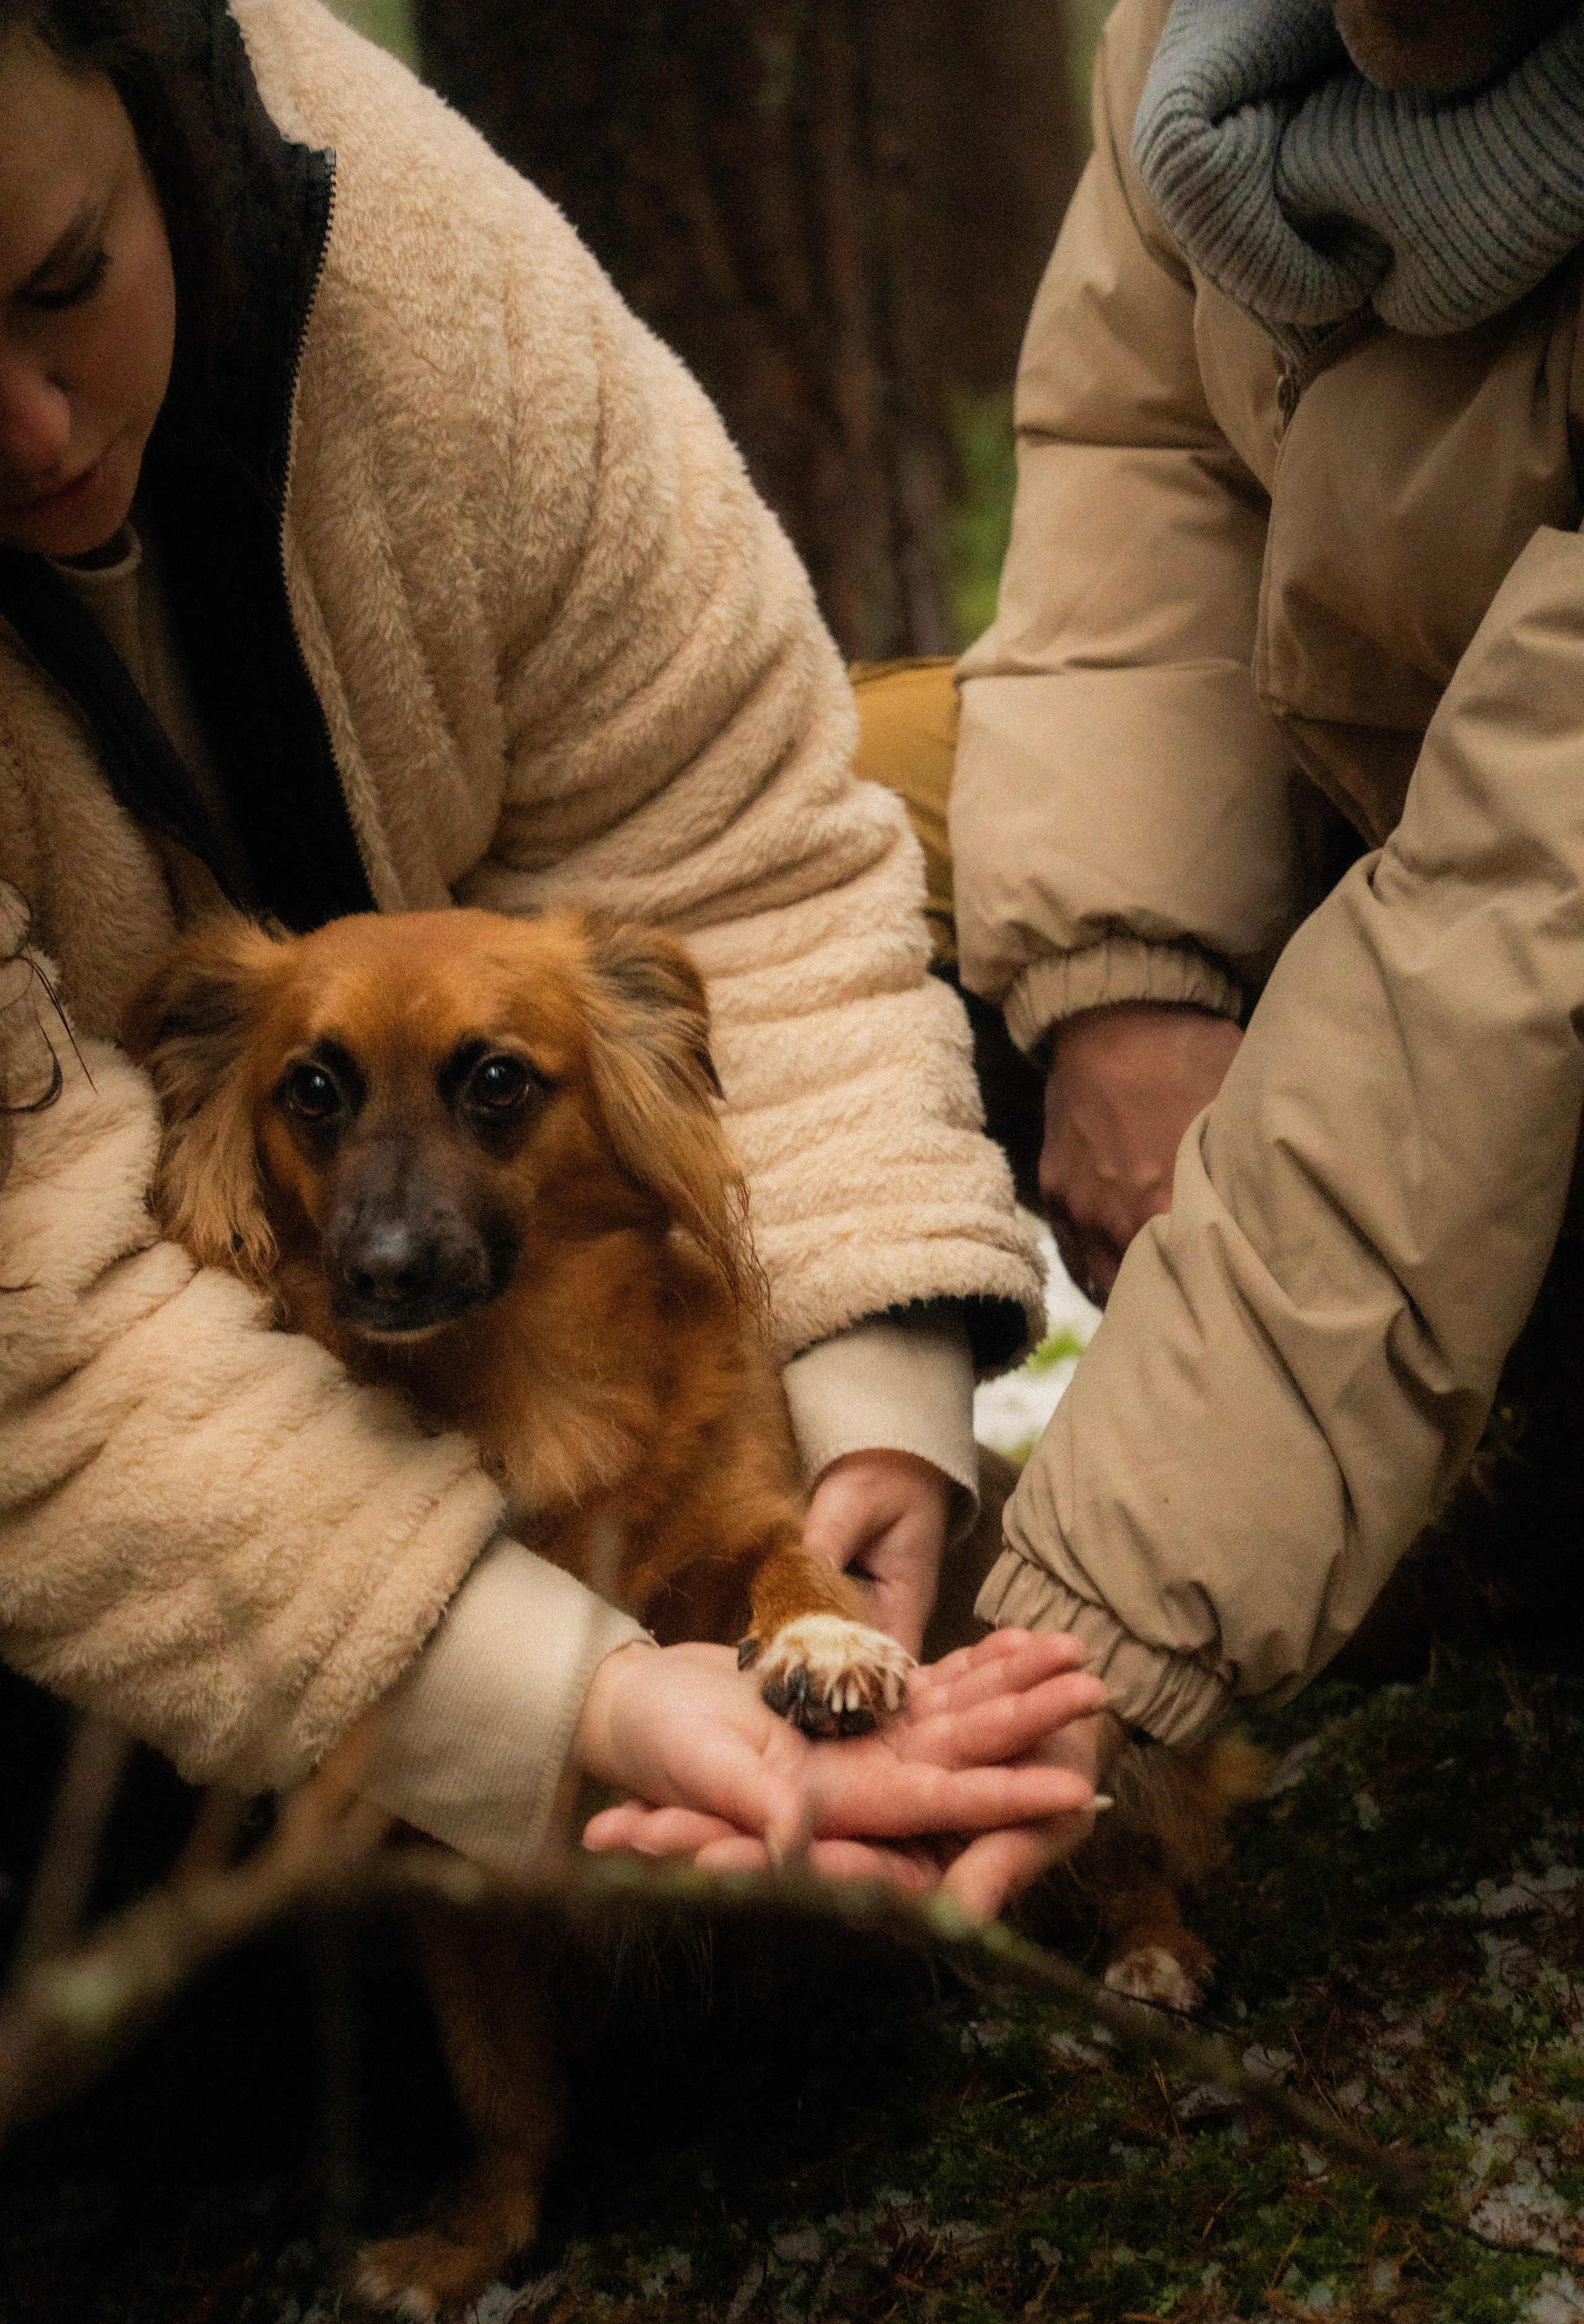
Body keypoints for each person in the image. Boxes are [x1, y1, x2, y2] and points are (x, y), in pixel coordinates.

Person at [0, 0, 1109, 1917]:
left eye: (64, 282)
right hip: (106, 1330)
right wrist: (558, 1699)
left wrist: (874, 1434)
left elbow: (745, 842)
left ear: (152, 77)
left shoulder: (412, 259)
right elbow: (38, 1333)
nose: (28, 425)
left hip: (530, 1125)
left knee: (1014, 779)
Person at [810, 0, 1584, 1829]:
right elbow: (1141, 457)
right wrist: (1120, 977)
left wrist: (1076, 1632)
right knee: (823, 818)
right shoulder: (1204, 40)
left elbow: (1503, 927)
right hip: (1379, 803)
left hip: (1512, 932)